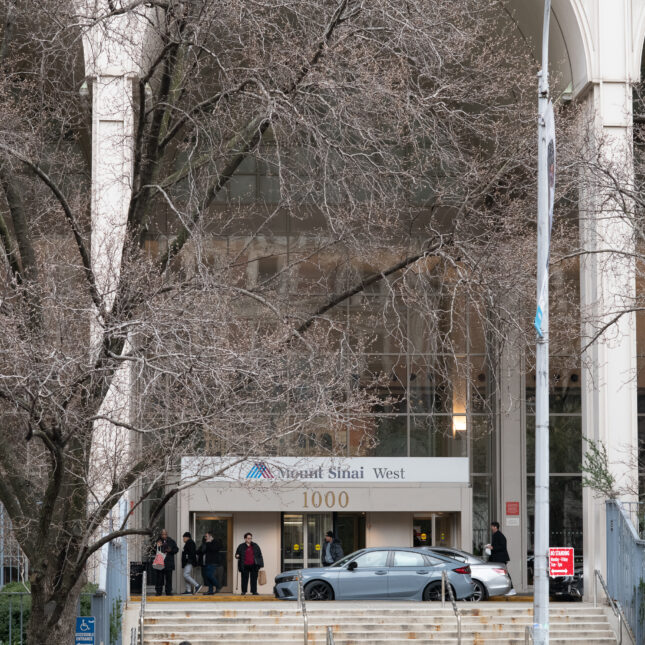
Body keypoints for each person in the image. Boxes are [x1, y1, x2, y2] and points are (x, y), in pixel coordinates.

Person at [486, 521, 516, 596]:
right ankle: (501, 589)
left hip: (500, 558)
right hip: (496, 558)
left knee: (505, 574)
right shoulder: (495, 534)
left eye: (492, 526)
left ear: (495, 527)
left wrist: (492, 547)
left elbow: (502, 547)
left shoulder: (499, 535)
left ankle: (511, 589)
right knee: (498, 573)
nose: (491, 528)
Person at [152, 529, 179, 596]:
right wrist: (157, 546)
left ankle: (168, 592)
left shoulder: (171, 541)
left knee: (169, 578)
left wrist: (171, 550)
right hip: (160, 563)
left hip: (169, 563)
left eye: (165, 534)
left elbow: (176, 549)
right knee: (159, 578)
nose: (164, 535)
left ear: (167, 534)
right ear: (160, 535)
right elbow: (153, 550)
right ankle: (158, 592)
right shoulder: (157, 541)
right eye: (162, 534)